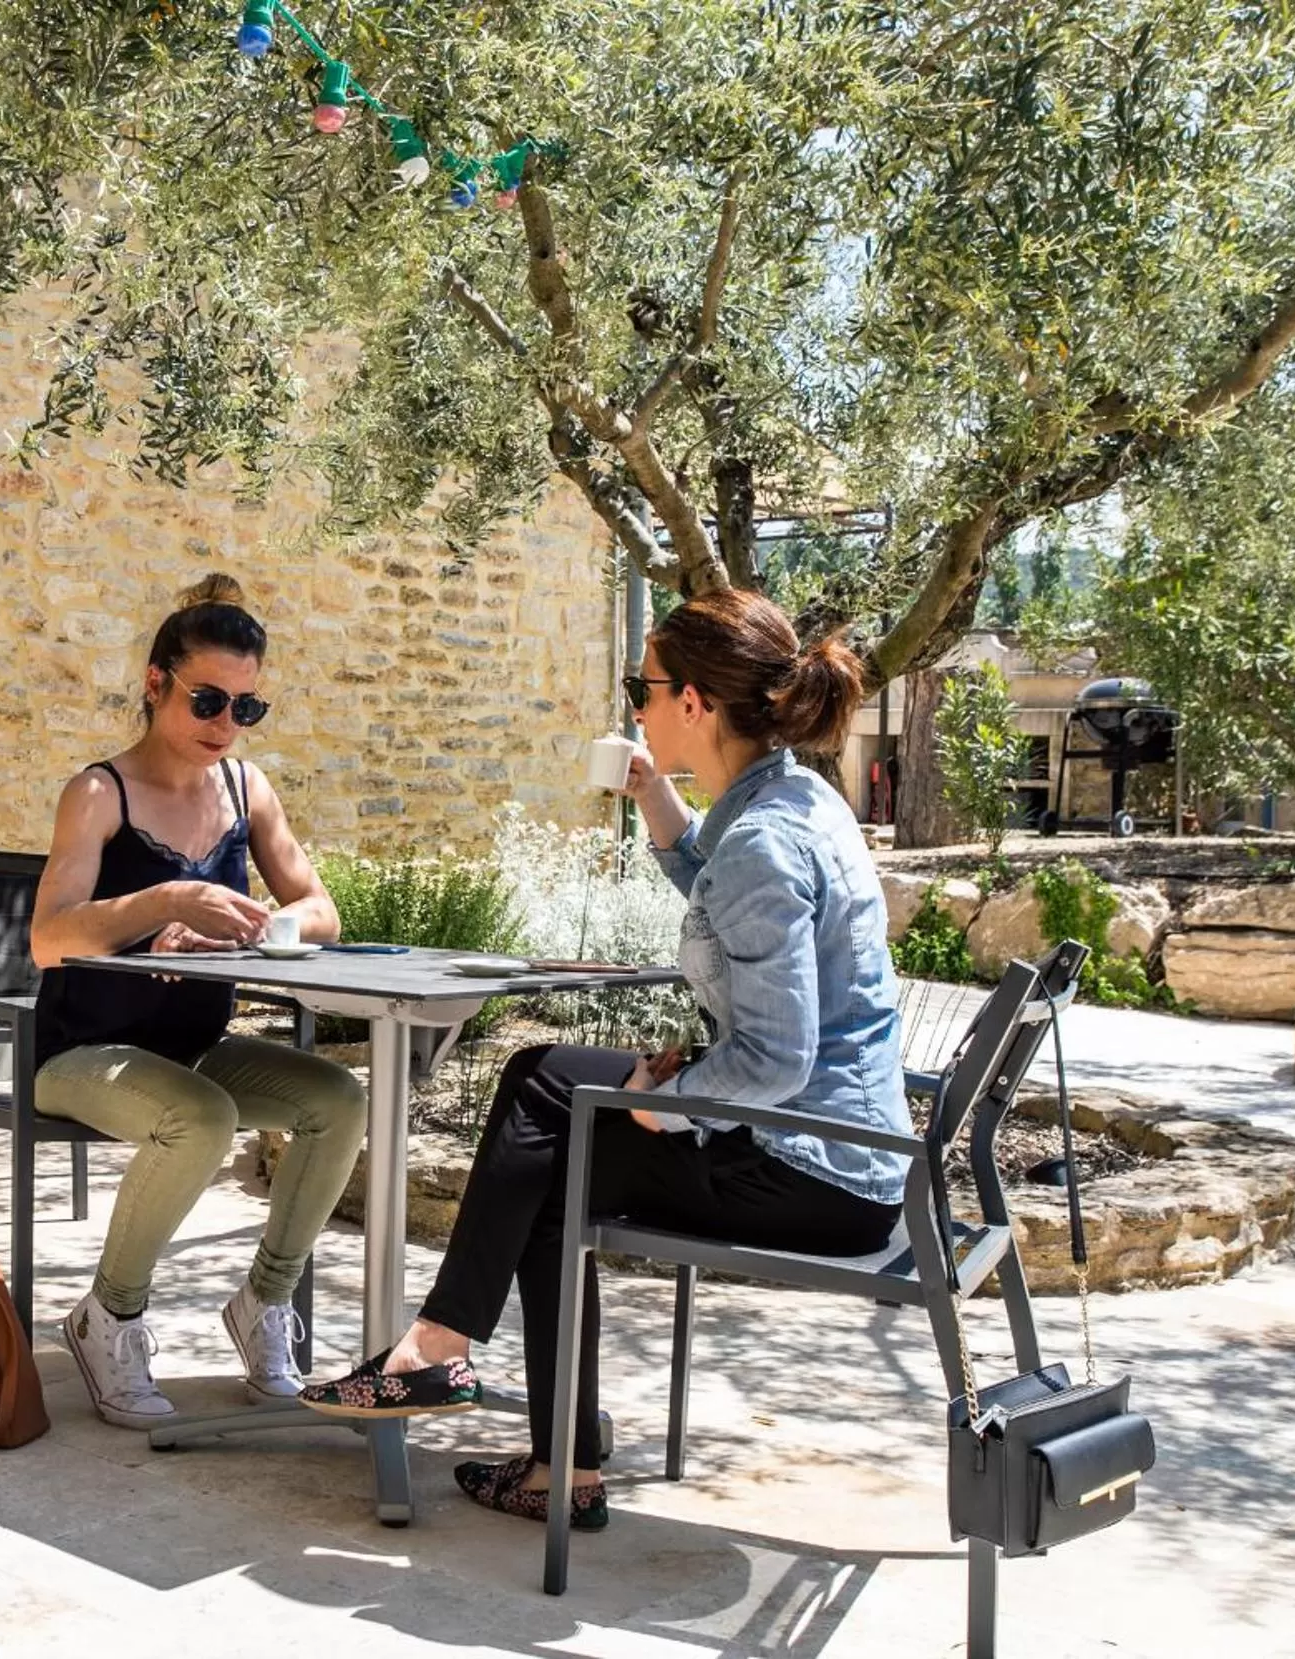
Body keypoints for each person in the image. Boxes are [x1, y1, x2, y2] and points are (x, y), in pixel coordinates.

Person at [295, 587, 907, 1532]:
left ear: (694, 704)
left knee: (550, 1135)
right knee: (545, 1101)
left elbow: (777, 1060)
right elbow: (719, 885)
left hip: (806, 1166)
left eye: (644, 686)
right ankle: (517, 1427)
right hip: (843, 1152)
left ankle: (460, 1372)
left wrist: (669, 1103)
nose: (635, 704)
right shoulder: (790, 799)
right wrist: (651, 794)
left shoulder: (765, 838)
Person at [31, 574, 368, 1429]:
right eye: (208, 700)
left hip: (194, 1048)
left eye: (245, 708)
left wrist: (253, 932)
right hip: (81, 1054)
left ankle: (264, 1303)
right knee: (203, 1119)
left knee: (335, 1098)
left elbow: (320, 910)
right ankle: (107, 1315)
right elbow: (48, 939)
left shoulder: (246, 790)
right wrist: (165, 902)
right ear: (155, 684)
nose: (225, 725)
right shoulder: (98, 792)